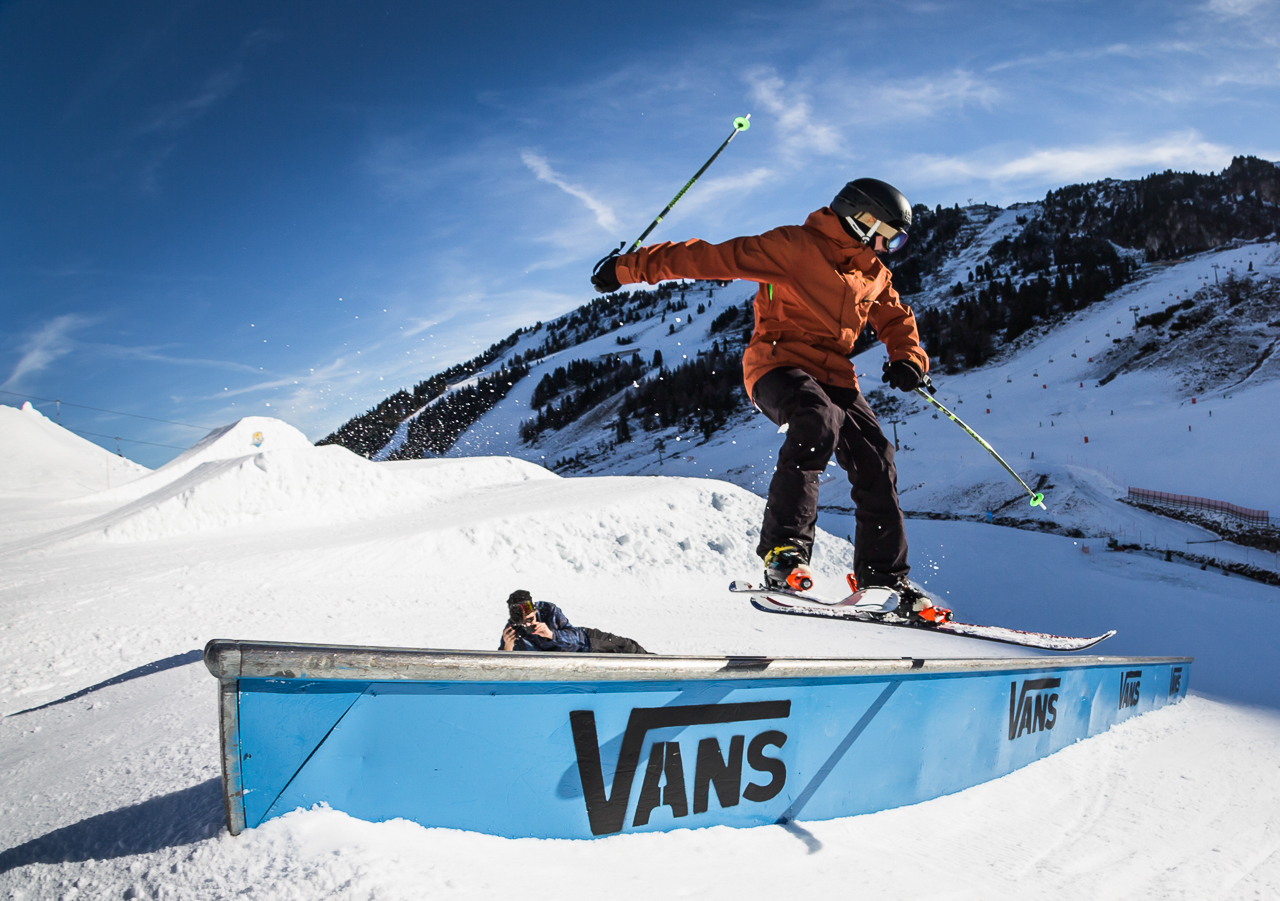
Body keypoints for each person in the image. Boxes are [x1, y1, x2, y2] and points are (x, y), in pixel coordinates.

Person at [590, 178, 946, 622]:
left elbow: (895, 318)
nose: (887, 248)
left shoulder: (872, 271)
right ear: (861, 218)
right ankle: (784, 550)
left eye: (895, 241)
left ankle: (883, 577)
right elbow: (707, 257)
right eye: (887, 236)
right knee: (816, 419)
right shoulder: (793, 246)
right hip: (778, 362)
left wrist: (909, 358)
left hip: (836, 374)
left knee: (876, 456)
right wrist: (626, 268)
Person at [500, 590, 650, 654]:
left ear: (535, 611)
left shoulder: (548, 610)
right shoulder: (513, 631)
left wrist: (551, 635)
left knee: (626, 647)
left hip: (586, 641)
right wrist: (507, 648)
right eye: (522, 624)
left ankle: (657, 664)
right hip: (569, 660)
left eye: (529, 620)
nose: (527, 626)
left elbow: (574, 636)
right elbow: (503, 667)